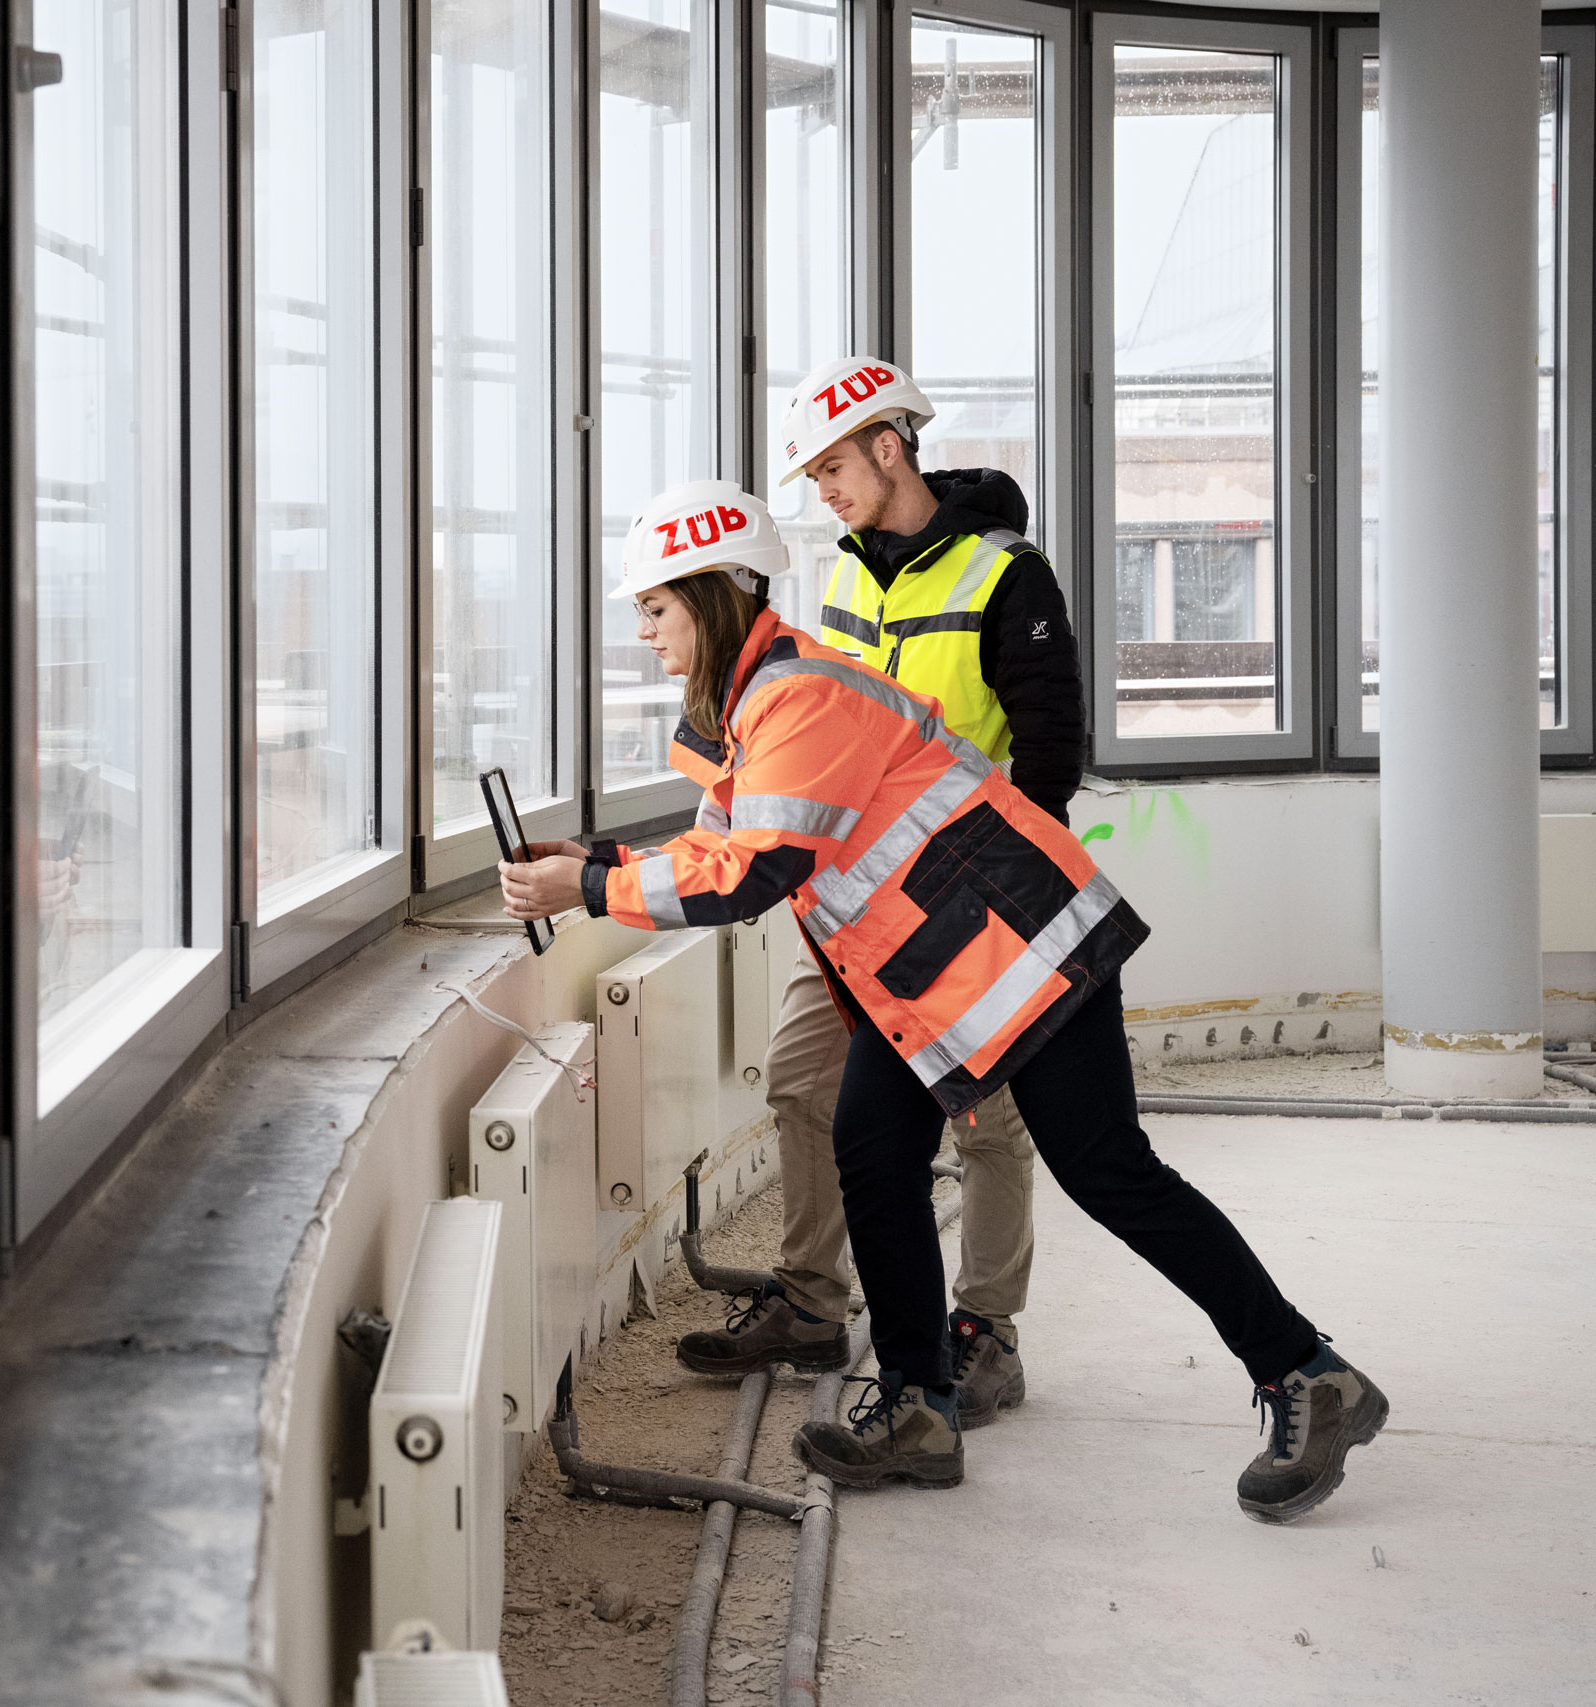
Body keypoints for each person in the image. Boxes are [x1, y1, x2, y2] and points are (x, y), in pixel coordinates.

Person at [498, 478, 1385, 1522]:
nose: (644, 630)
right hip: (939, 977)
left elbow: (754, 873)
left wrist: (584, 889)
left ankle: (1306, 1372)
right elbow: (722, 845)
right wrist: (595, 858)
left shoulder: (799, 698)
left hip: (1027, 956)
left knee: (1111, 1174)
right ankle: (919, 1406)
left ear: (714, 594)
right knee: (873, 1153)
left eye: (656, 607)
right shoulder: (755, 707)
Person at [673, 357, 1075, 1431]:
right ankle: (813, 1300)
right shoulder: (847, 576)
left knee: (984, 1121)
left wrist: (1004, 899)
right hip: (852, 897)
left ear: (889, 447)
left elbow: (1050, 752)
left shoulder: (1005, 573)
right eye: (812, 475)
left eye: (831, 468)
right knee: (803, 1085)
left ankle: (986, 1330)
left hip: (969, 903)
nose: (822, 491)